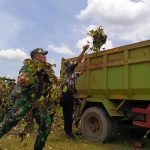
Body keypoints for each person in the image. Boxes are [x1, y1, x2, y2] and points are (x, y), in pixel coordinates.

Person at [0, 48, 57, 150]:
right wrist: (28, 77)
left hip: (38, 102)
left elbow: (54, 83)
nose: (45, 56)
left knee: (46, 125)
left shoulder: (47, 69)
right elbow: (21, 81)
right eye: (43, 54)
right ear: (36, 56)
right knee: (7, 124)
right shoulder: (29, 66)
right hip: (24, 100)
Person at [60, 44, 89, 139]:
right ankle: (67, 132)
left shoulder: (74, 74)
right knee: (65, 113)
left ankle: (68, 132)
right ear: (68, 65)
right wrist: (84, 50)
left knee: (68, 114)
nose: (72, 62)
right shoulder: (69, 69)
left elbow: (82, 71)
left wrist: (85, 62)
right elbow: (77, 61)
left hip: (70, 95)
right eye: (70, 62)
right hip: (65, 94)